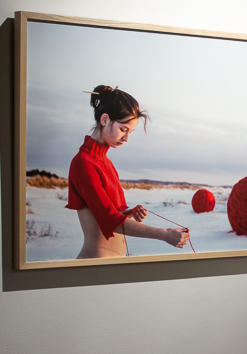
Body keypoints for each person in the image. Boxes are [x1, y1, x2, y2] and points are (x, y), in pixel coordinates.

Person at [68, 85, 189, 258]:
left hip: (114, 263)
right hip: (95, 264)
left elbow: (111, 213)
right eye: (123, 129)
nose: (126, 138)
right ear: (104, 120)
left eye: (130, 132)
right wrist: (163, 234)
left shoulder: (106, 163)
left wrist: (129, 212)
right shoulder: (84, 163)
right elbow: (109, 221)